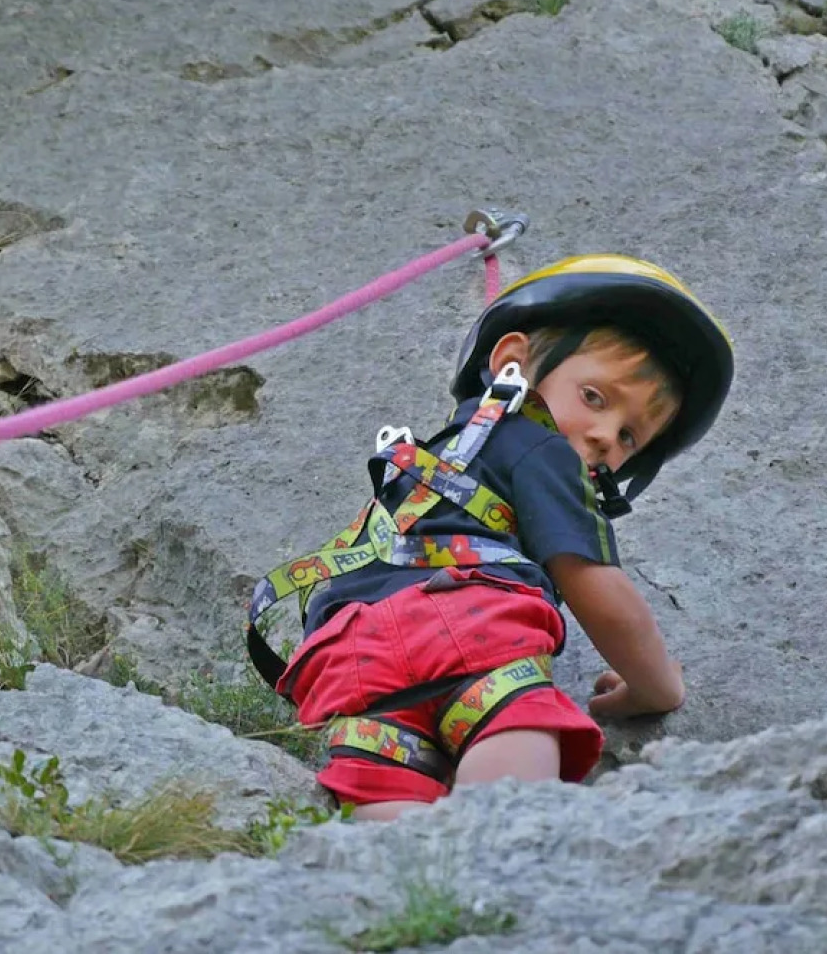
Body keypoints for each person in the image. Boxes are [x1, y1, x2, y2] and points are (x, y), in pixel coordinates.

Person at [246, 253, 734, 820]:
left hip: (343, 651)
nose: (603, 436)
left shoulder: (438, 454)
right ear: (515, 364)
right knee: (509, 777)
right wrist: (655, 687)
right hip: (468, 626)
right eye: (595, 398)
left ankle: (399, 877)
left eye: (630, 435)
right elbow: (599, 593)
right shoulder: (542, 447)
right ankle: (492, 853)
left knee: (386, 802)